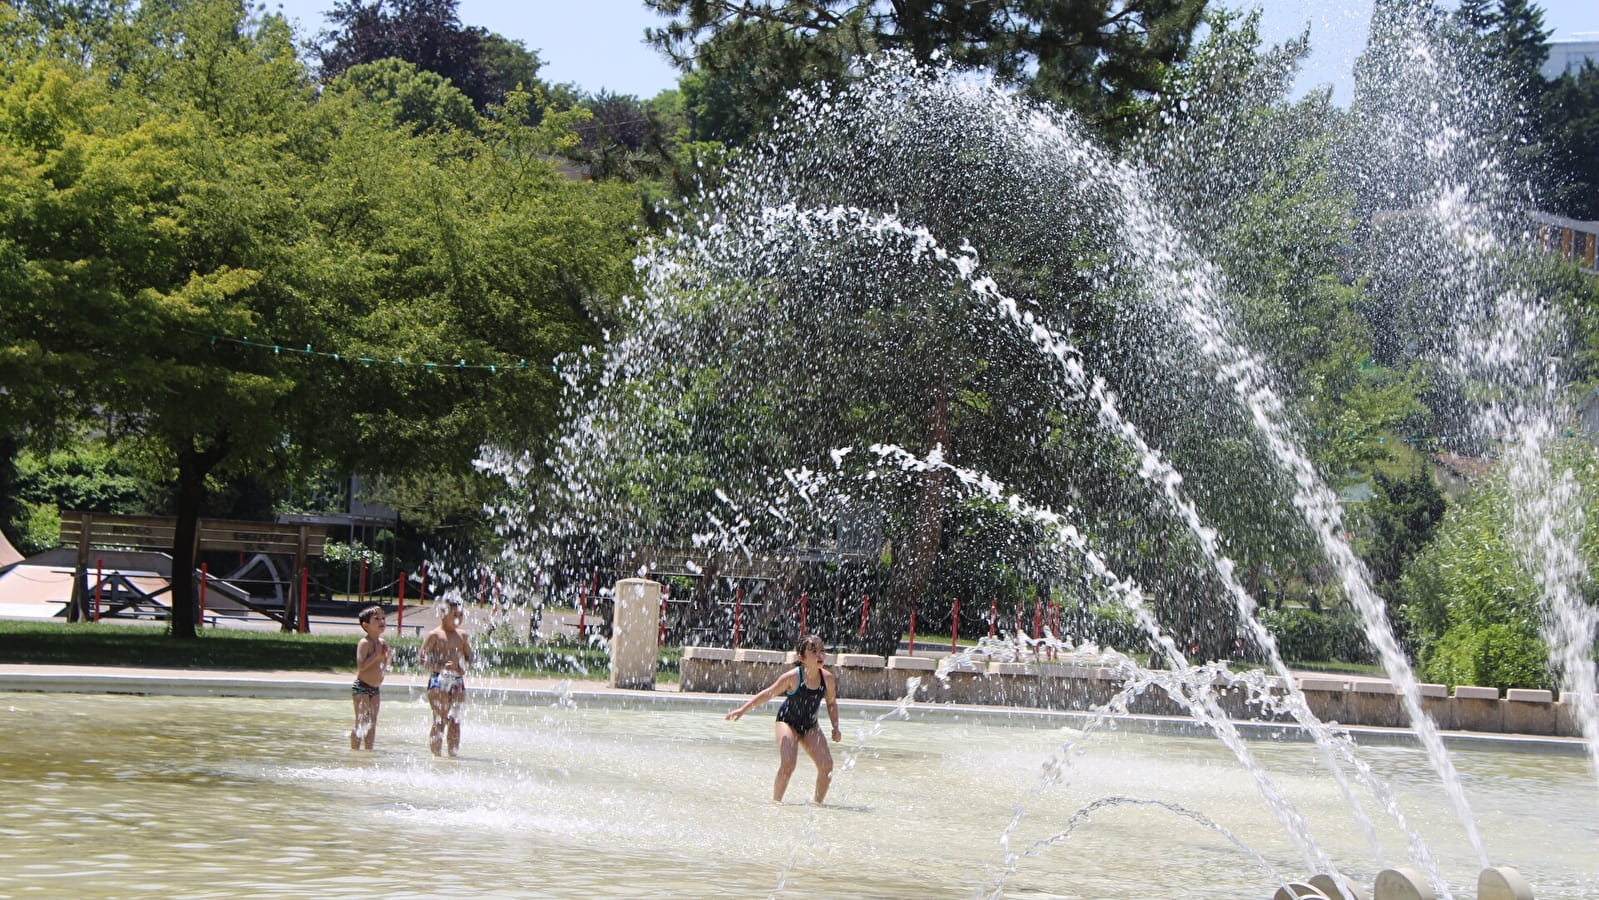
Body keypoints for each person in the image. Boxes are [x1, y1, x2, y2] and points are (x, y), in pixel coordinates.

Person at [725, 634, 842, 805]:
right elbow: (768, 693)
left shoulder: (827, 679)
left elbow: (831, 703)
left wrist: (835, 727)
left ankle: (818, 804)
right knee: (788, 763)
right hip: (787, 722)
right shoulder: (792, 677)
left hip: (810, 725)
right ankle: (776, 802)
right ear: (801, 657)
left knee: (827, 765)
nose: (820, 655)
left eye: (822, 650)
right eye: (813, 651)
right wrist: (743, 710)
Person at [421, 599, 474, 757]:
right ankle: (436, 756)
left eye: (461, 615)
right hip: (438, 680)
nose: (458, 618)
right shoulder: (435, 635)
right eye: (454, 614)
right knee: (440, 719)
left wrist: (462, 667)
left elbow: (470, 657)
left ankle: (452, 756)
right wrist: (440, 667)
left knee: (455, 720)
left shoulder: (462, 636)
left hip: (457, 680)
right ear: (443, 614)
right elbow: (422, 659)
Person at [349, 605, 392, 751]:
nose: (382, 621)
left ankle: (368, 751)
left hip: (375, 689)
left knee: (372, 723)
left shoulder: (382, 643)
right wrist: (376, 655)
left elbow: (386, 665)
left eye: (383, 618)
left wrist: (388, 657)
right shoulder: (364, 643)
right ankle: (355, 750)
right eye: (377, 619)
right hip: (361, 687)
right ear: (366, 625)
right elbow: (361, 666)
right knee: (361, 721)